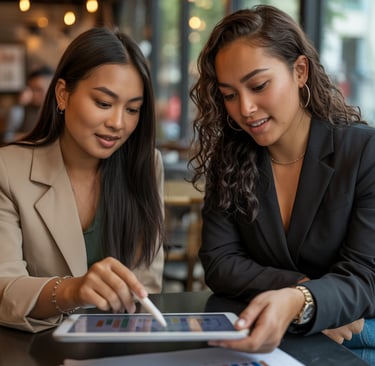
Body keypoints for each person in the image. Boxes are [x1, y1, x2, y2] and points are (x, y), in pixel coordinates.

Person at [190, 5, 375, 364]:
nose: (245, 108)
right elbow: (220, 262)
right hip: (274, 334)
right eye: (229, 94)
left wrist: (301, 303)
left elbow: (367, 275)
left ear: (300, 71)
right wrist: (304, 296)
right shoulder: (229, 159)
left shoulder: (364, 152)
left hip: (357, 332)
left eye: (259, 86)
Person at [0, 27, 164, 333]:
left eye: (132, 109)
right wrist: (71, 291)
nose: (117, 123)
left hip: (121, 343)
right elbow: (3, 288)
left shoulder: (144, 165)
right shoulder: (8, 170)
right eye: (103, 103)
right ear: (63, 94)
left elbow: (147, 286)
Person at [2, 65, 54, 143]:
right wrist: (19, 105)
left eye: (38, 89)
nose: (32, 94)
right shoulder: (23, 108)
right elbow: (7, 138)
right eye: (30, 89)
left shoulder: (57, 110)